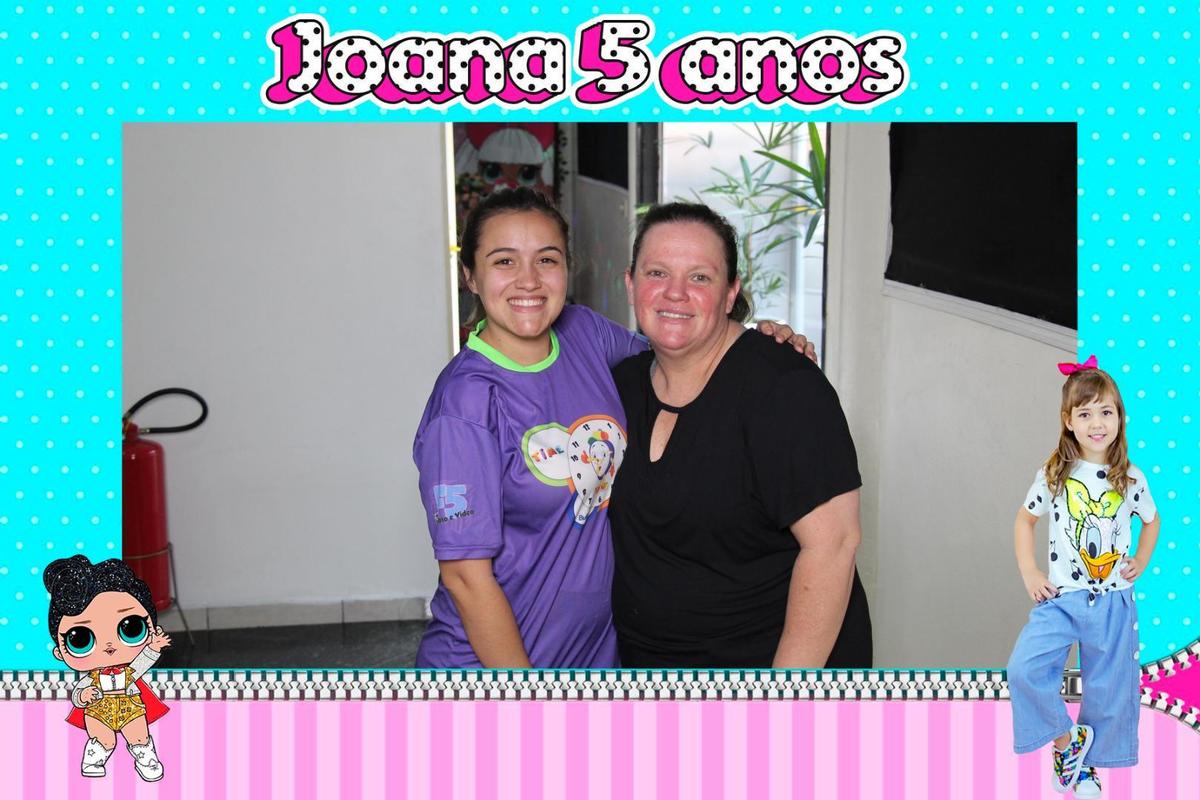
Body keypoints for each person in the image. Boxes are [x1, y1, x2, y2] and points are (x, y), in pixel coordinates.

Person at [413, 188, 812, 668]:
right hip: (496, 672)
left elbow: (682, 352)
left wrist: (757, 341)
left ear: (567, 268)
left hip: (595, 659)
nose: (528, 280)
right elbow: (465, 578)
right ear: (470, 276)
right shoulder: (463, 405)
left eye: (546, 259)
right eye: (504, 261)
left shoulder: (584, 333)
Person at [609, 202, 873, 669]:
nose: (675, 293)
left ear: (730, 293)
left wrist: (780, 695)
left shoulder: (784, 387)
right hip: (649, 668)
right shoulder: (618, 385)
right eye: (657, 273)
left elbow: (833, 546)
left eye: (700, 277)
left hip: (767, 673)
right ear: (631, 284)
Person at [1006, 357, 1159, 798]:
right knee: (1025, 668)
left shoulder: (1131, 478)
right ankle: (1065, 741)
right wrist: (1029, 570)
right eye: (1086, 413)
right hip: (1062, 598)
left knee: (1109, 690)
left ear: (1120, 418)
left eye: (1106, 412)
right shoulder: (1055, 473)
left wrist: (1141, 559)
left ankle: (1085, 770)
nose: (1097, 423)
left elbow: (1152, 521)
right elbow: (1024, 520)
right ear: (1068, 421)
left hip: (1113, 601)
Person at [45, 555, 172, 782]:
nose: (110, 646)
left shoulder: (129, 671)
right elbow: (78, 694)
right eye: (81, 639)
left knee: (140, 737)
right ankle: (94, 759)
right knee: (104, 740)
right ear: (60, 653)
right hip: (98, 711)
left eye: (131, 628)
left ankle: (146, 760)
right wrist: (83, 695)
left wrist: (153, 647)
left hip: (131, 708)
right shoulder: (91, 677)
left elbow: (142, 663)